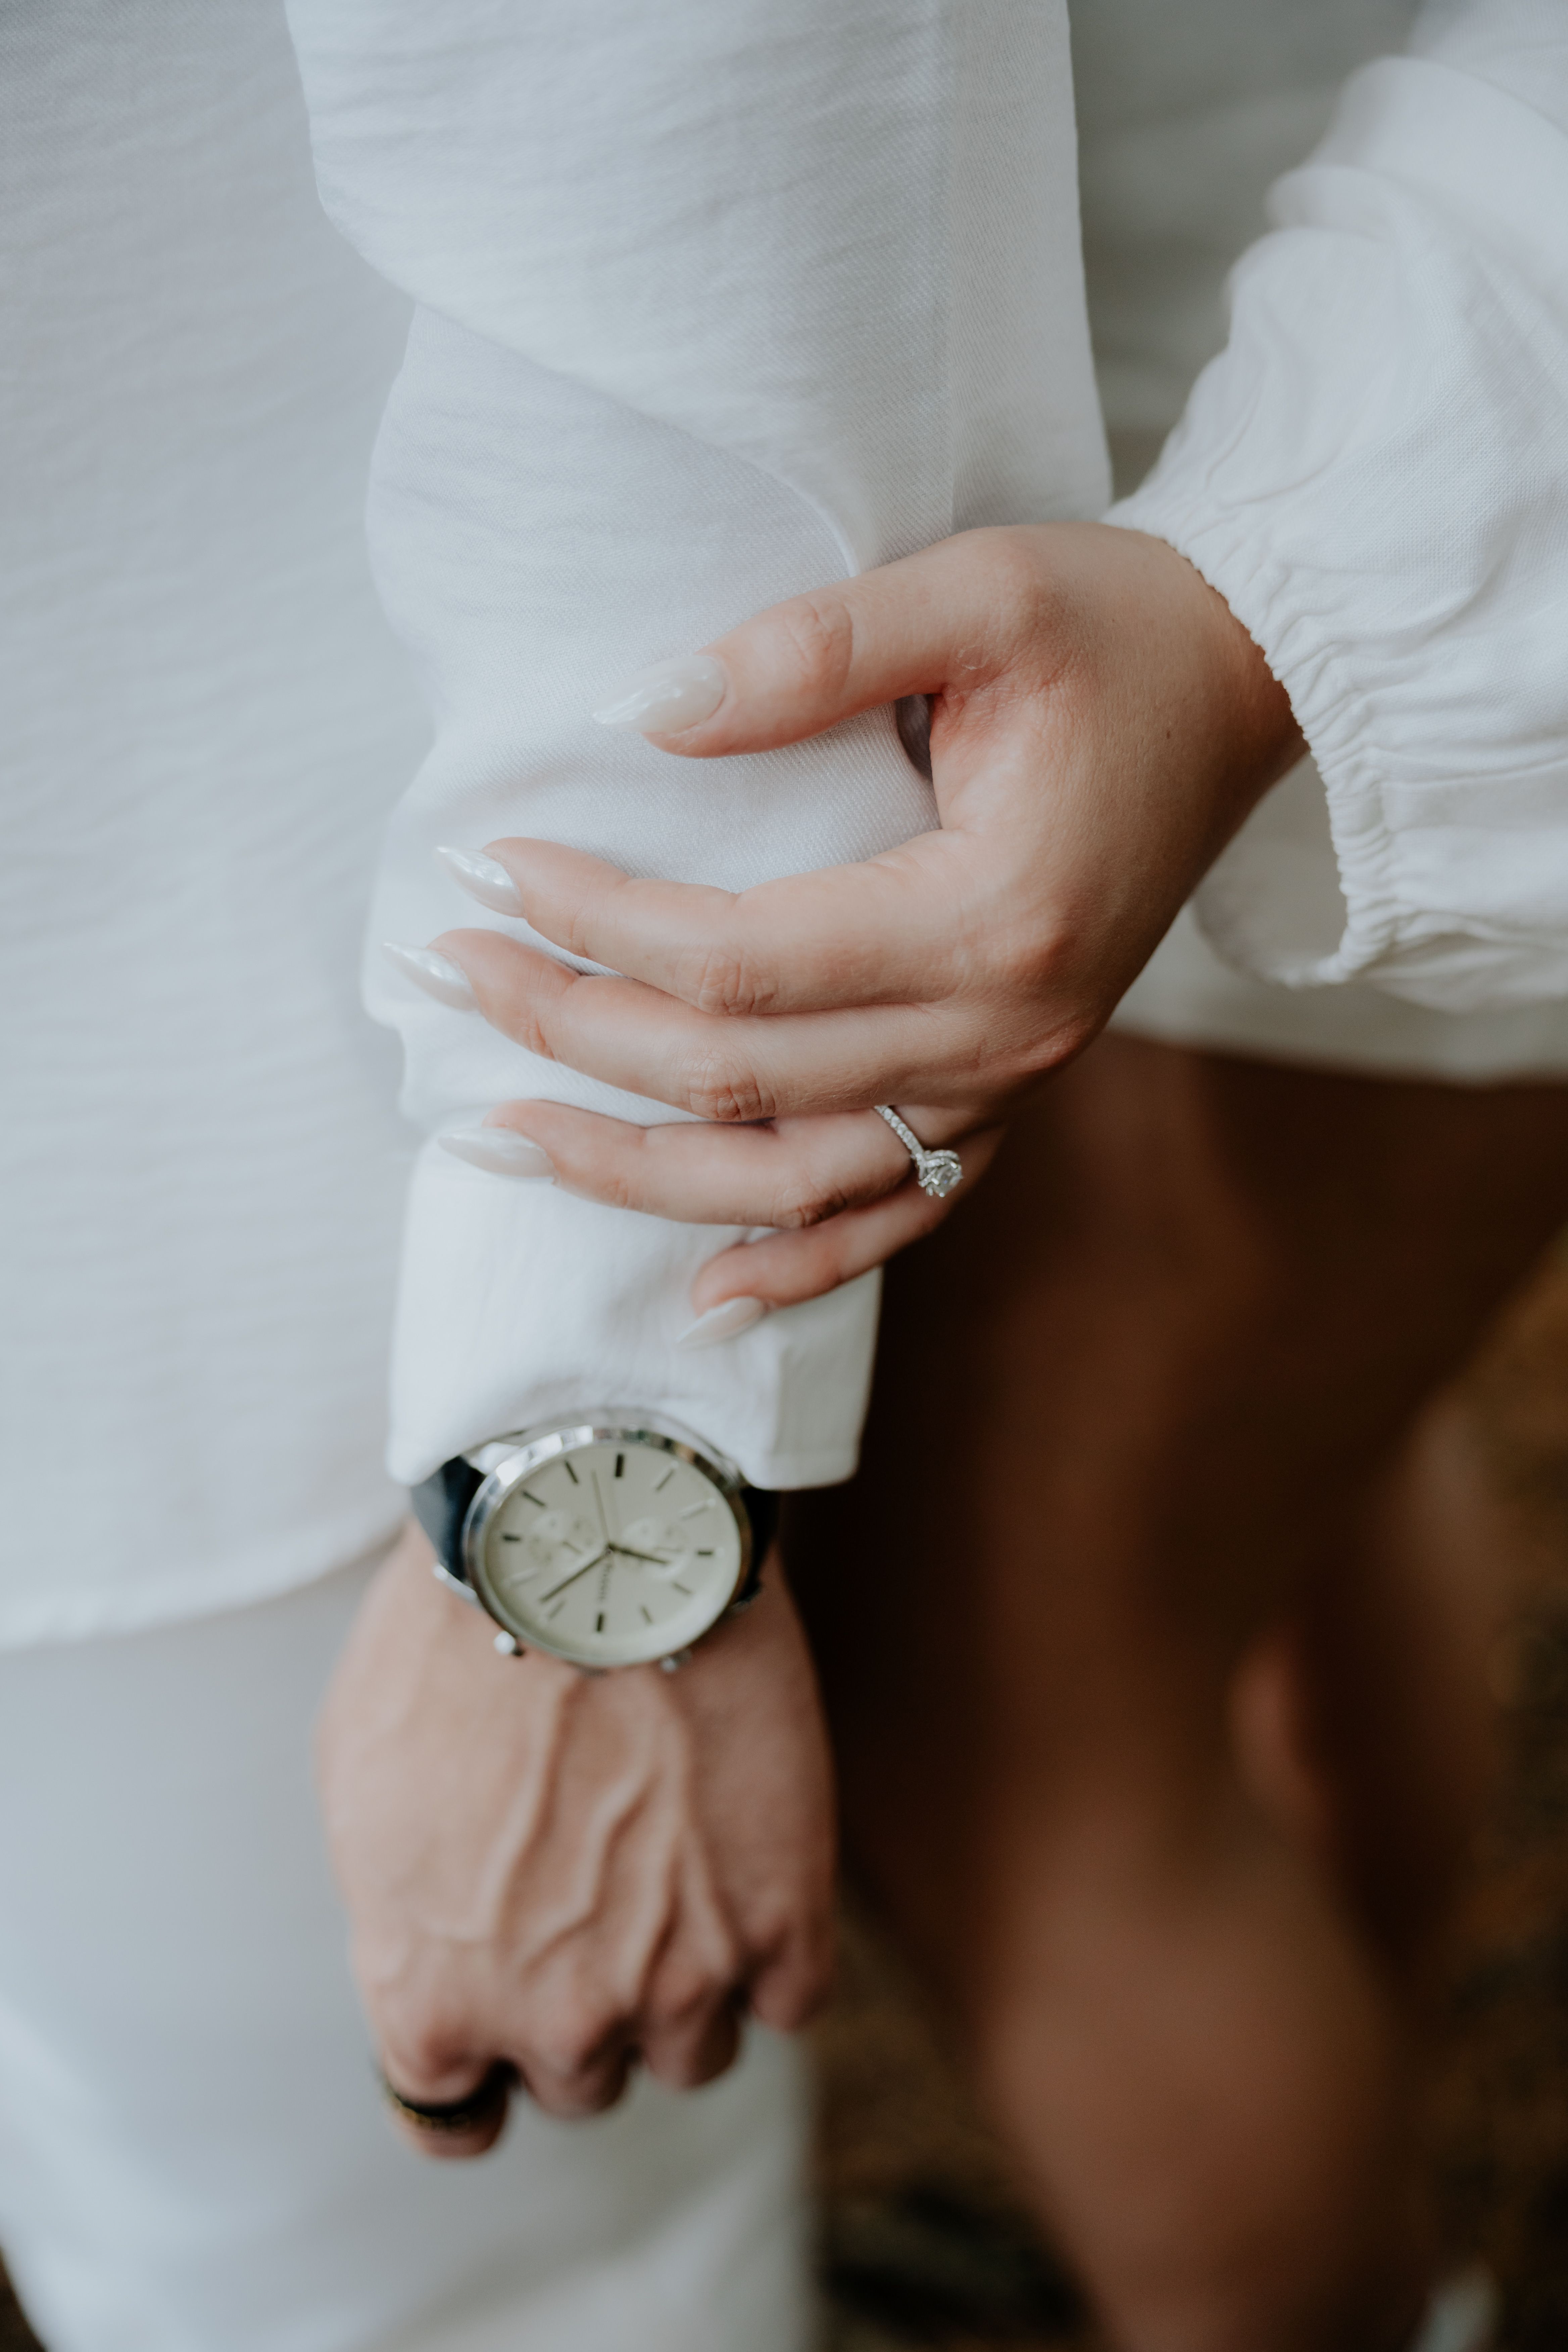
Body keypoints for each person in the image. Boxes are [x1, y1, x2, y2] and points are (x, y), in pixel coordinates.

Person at [400, 4, 1568, 2348]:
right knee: (1267, 1505)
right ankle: (1350, 2124)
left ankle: (1302, 2237)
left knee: (1034, 1756)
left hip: (1289, 529)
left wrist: (1267, 625)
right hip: (1302, 456)